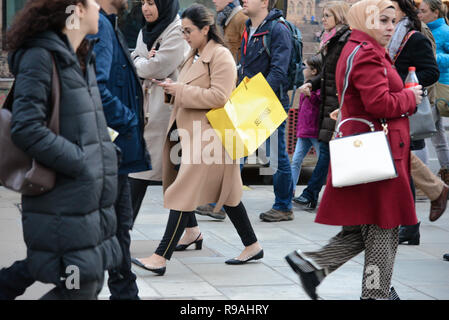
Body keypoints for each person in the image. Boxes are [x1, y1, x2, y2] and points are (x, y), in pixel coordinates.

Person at [285, 0, 423, 300]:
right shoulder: (368, 54)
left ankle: (314, 265)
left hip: (367, 150)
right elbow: (381, 104)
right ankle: (376, 294)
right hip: (376, 153)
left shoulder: (357, 47)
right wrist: (411, 97)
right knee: (383, 229)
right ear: (367, 20)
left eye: (392, 21)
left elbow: (358, 98)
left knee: (363, 229)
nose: (390, 27)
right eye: (384, 21)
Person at [0, 0, 122, 300]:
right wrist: (81, 162)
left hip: (87, 203)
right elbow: (27, 128)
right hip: (62, 200)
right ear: (76, 9)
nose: (99, 6)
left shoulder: (82, 57)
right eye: (93, 1)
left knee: (87, 283)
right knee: (79, 287)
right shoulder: (41, 57)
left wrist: (106, 156)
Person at [131, 4, 263, 275]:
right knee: (228, 195)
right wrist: (170, 89)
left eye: (189, 31)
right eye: (182, 31)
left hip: (211, 136)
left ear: (206, 29)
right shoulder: (193, 53)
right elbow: (187, 91)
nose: (185, 35)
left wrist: (180, 89)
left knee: (183, 191)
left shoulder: (221, 56)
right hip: (186, 134)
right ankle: (251, 245)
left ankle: (160, 256)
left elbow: (219, 97)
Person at [86, 0, 153, 300]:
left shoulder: (107, 24)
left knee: (119, 227)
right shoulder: (98, 24)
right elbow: (97, 87)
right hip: (110, 145)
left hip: (114, 149)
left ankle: (125, 292)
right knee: (114, 227)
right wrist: (127, 120)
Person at [387, 0, 443, 246]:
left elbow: (431, 72)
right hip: (390, 107)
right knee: (400, 166)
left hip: (405, 108)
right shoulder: (388, 35)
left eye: (391, 7)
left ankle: (411, 222)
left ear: (402, 9)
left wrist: (403, 80)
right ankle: (409, 223)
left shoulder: (414, 37)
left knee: (401, 165)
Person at [128, 0, 188, 226]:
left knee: (142, 170)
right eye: (143, 2)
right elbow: (139, 58)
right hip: (149, 107)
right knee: (172, 177)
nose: (146, 8)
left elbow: (157, 67)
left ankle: (122, 230)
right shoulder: (147, 29)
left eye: (152, 2)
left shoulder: (176, 29)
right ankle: (192, 231)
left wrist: (139, 60)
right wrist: (141, 60)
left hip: (167, 110)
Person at [239, 0, 294, 222]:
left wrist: (256, 97)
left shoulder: (278, 29)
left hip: (270, 101)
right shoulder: (248, 27)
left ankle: (283, 206)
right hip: (249, 98)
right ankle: (221, 202)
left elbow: (279, 72)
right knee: (237, 149)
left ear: (264, 2)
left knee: (275, 155)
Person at [293, 1, 350, 210]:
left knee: (327, 153)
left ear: (338, 17)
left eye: (327, 15)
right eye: (323, 15)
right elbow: (327, 73)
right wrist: (310, 83)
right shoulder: (332, 40)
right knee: (330, 153)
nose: (323, 19)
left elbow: (340, 75)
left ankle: (311, 194)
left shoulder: (344, 40)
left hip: (335, 104)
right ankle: (319, 197)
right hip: (328, 103)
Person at [195, 0, 248, 221]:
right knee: (232, 152)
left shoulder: (240, 19)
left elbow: (243, 57)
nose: (214, 1)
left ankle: (283, 203)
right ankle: (221, 202)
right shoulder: (224, 19)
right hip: (233, 91)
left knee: (238, 152)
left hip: (242, 92)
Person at [418, 0, 449, 185]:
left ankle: (424, 182)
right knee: (437, 136)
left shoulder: (445, 31)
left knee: (421, 134)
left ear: (435, 12)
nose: (420, 14)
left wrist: (431, 56)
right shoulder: (422, 30)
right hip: (430, 88)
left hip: (440, 89)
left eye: (423, 11)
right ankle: (445, 172)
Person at [291, 55, 322, 198]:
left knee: (323, 162)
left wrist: (310, 94)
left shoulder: (318, 86)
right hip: (304, 132)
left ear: (314, 71)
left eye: (305, 67)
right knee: (296, 160)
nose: (303, 69)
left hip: (315, 132)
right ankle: (289, 191)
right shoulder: (305, 86)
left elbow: (318, 102)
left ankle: (319, 192)